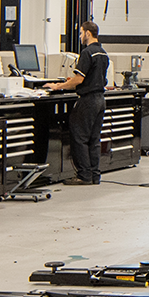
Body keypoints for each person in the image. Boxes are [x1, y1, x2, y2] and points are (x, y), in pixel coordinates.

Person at [47, 21, 110, 185]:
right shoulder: (103, 53)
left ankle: (83, 175)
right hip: (100, 100)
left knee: (79, 137)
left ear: (88, 33)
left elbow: (79, 78)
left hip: (88, 100)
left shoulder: (87, 52)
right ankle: (95, 175)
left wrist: (58, 86)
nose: (80, 36)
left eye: (81, 33)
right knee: (94, 139)